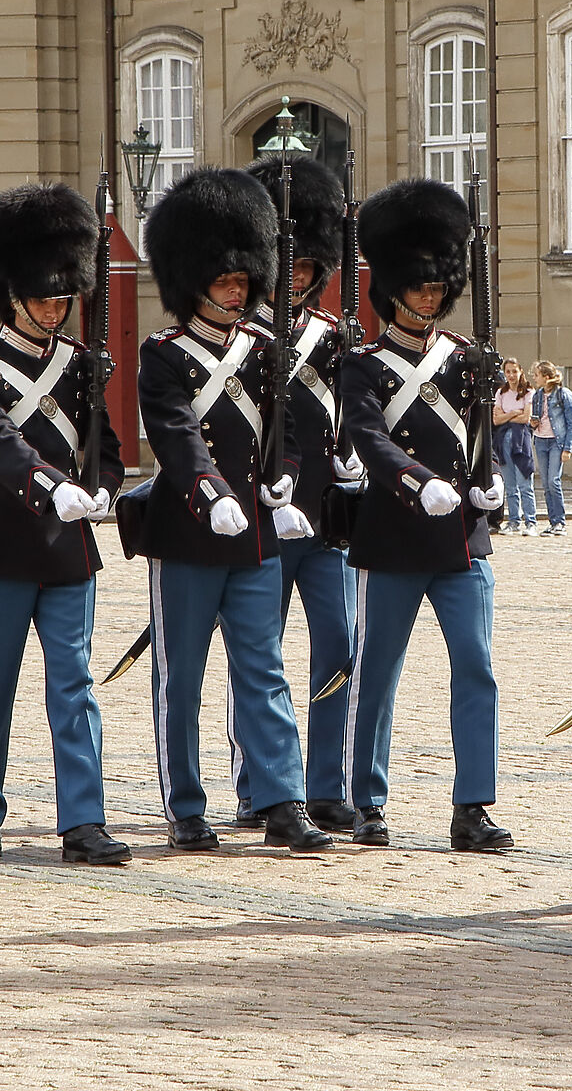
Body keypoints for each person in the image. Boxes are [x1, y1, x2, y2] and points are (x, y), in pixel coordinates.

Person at [134, 166, 329, 854]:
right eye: (226, 279)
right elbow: (177, 437)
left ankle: (281, 799)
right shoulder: (161, 356)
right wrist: (214, 495)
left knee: (264, 673)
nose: (239, 289)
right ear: (197, 280)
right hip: (191, 531)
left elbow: (289, 433)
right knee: (180, 679)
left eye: (245, 279)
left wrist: (285, 485)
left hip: (254, 540)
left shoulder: (263, 350)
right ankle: (184, 804)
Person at [0, 183, 128, 865]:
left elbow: (104, 447)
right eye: (45, 296)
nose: (56, 308)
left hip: (66, 551)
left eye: (63, 297)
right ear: (12, 295)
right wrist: (52, 487)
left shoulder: (79, 366)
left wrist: (103, 490)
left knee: (73, 686)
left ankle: (84, 818)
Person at [337, 177, 514, 853]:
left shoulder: (467, 358)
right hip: (393, 536)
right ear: (393, 288)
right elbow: (368, 438)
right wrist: (416, 481)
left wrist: (486, 481)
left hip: (461, 539)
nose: (431, 293)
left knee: (477, 667)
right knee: (377, 674)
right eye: (419, 284)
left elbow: (476, 438)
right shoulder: (364, 365)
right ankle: (368, 801)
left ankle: (473, 805)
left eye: (439, 284)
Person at [229, 155, 360, 835]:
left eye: (311, 268)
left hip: (325, 517)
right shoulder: (242, 340)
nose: (301, 279)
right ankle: (257, 780)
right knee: (262, 652)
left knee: (338, 646)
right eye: (292, 267)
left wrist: (353, 459)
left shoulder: (333, 337)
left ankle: (326, 783)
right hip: (264, 512)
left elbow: (348, 416)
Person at [492, 358, 539, 536]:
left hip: (521, 439)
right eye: (508, 372)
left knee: (524, 483)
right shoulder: (501, 393)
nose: (511, 375)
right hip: (503, 439)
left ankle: (531, 521)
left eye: (514, 371)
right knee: (510, 485)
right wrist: (512, 413)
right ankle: (513, 521)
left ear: (520, 371)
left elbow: (526, 418)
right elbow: (496, 419)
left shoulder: (528, 392)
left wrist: (506, 415)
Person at [533, 361, 572, 537]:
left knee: (554, 481)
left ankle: (560, 521)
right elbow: (537, 418)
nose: (534, 378)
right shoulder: (537, 395)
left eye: (537, 375)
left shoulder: (563, 394)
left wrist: (568, 448)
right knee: (545, 484)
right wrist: (533, 423)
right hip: (541, 441)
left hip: (556, 443)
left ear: (546, 377)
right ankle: (552, 522)